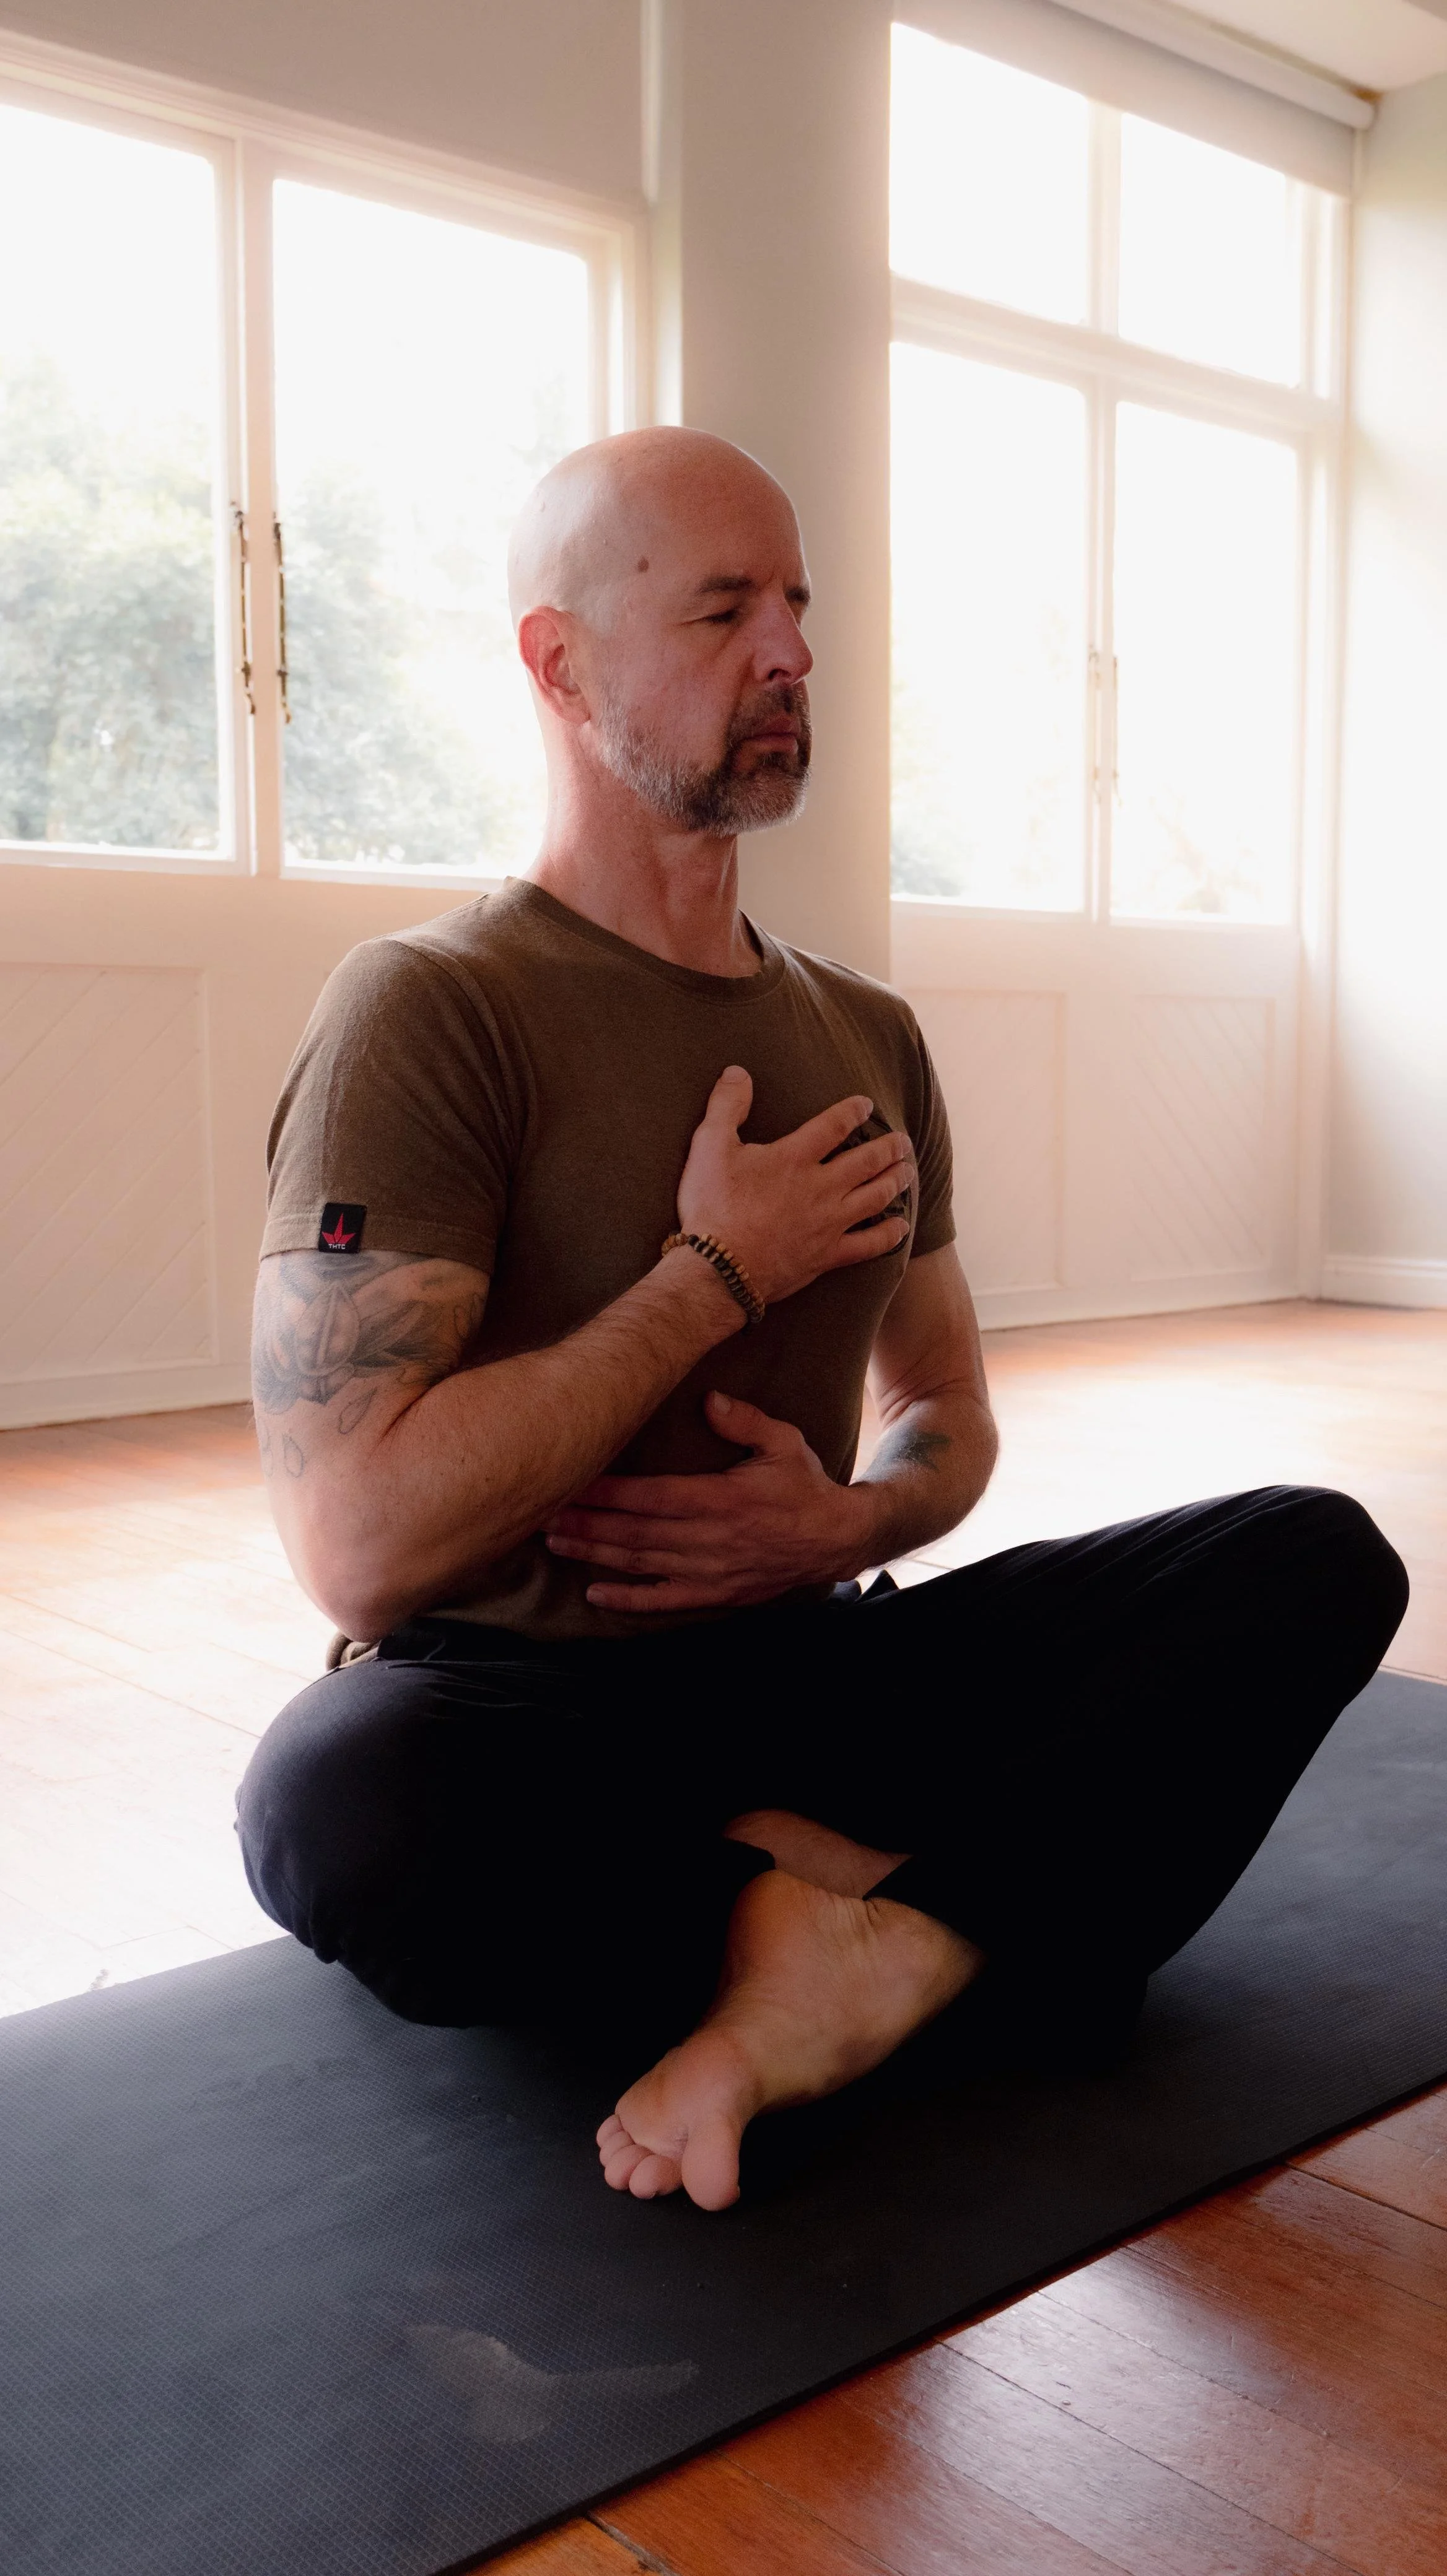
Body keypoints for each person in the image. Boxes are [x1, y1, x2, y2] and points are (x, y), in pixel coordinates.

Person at [237, 427, 1407, 2213]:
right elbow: (355, 1542)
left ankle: (845, 1947)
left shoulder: (868, 1033)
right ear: (561, 665)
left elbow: (947, 1418)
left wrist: (854, 1519)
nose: (791, 653)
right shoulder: (431, 1011)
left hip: (817, 1663)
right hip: (530, 1714)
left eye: (797, 607)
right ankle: (905, 1909)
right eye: (726, 611)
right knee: (332, 1804)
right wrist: (712, 1280)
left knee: (1313, 1560)